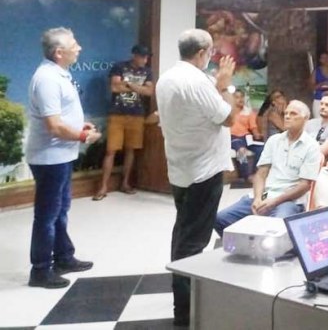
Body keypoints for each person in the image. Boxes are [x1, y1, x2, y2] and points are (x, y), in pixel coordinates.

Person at [155, 29, 236, 327]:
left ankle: (184, 299)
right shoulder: (197, 81)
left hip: (181, 167)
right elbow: (228, 117)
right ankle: (186, 310)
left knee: (184, 232)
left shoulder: (167, 78)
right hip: (203, 171)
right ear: (202, 53)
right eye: (210, 52)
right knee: (193, 242)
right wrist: (224, 86)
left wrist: (215, 85)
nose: (212, 58)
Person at [26, 27, 102, 289]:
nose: (79, 48)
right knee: (47, 215)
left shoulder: (59, 74)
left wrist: (81, 125)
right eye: (74, 44)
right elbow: (54, 126)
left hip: (62, 155)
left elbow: (62, 116)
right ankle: (40, 270)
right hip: (50, 157)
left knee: (60, 210)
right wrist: (83, 136)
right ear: (59, 52)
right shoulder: (47, 79)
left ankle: (63, 257)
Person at [214, 100, 321, 235]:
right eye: (286, 113)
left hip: (289, 200)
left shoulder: (311, 146)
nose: (287, 116)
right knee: (220, 219)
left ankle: (263, 244)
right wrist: (258, 198)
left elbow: (304, 185)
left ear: (305, 119)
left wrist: (274, 202)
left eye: (293, 114)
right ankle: (248, 245)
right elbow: (261, 174)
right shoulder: (274, 140)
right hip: (265, 195)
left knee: (276, 229)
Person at [94, 44, 154, 200]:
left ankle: (125, 183)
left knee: (131, 150)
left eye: (147, 57)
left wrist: (128, 84)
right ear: (134, 55)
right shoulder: (119, 67)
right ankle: (103, 187)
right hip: (117, 113)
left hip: (137, 114)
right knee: (111, 150)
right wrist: (138, 88)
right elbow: (115, 88)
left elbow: (149, 91)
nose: (145, 60)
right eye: (142, 56)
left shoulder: (147, 71)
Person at [230, 89, 265, 181]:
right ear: (232, 99)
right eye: (237, 97)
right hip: (232, 137)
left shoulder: (248, 112)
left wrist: (257, 135)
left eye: (242, 97)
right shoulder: (229, 111)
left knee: (261, 149)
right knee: (241, 150)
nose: (240, 99)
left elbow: (253, 127)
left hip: (246, 137)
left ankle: (254, 173)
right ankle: (244, 176)